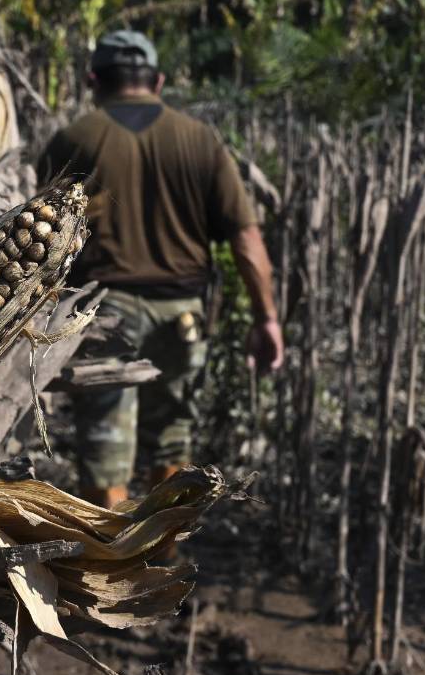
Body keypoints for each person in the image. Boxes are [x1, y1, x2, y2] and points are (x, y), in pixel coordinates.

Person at [38, 30, 283, 510]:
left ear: (94, 80)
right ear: (159, 80)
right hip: (182, 318)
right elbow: (246, 239)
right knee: (173, 440)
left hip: (101, 315)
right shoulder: (200, 141)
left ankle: (107, 573)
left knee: (106, 451)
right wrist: (266, 318)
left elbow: (43, 242)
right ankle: (161, 568)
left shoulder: (74, 140)